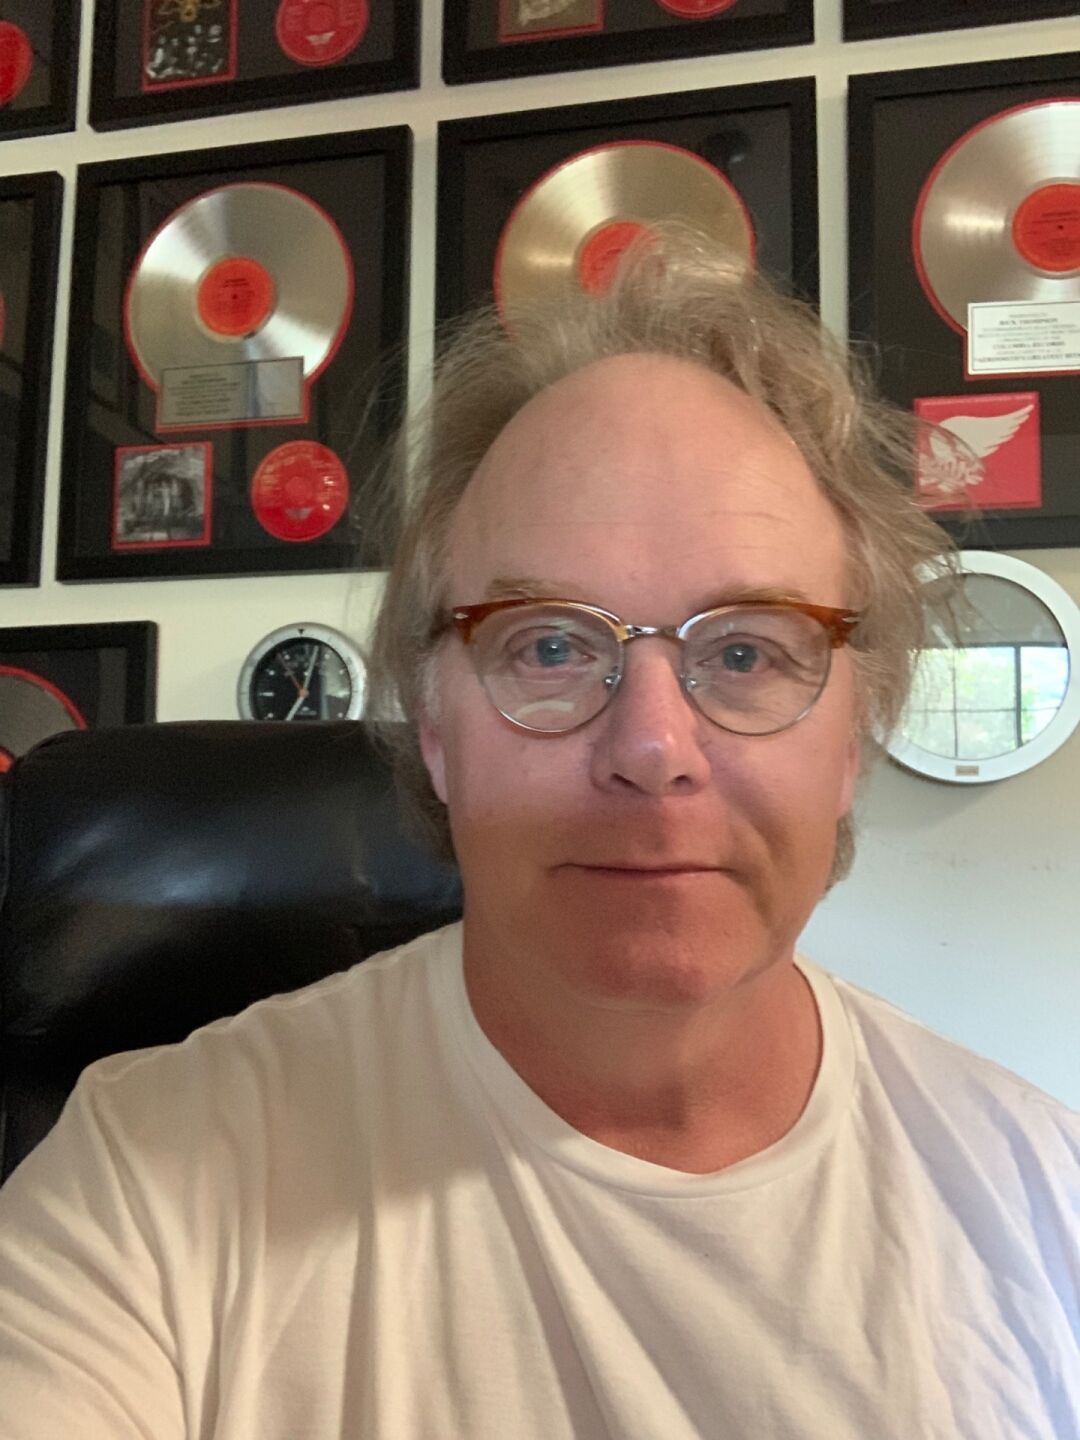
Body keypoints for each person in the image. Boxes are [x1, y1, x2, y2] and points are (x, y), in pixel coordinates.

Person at [0, 231, 1076, 1438]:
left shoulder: (1045, 1207)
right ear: (436, 729)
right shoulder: (143, 1184)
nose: (652, 747)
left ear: (855, 737)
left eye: (747, 651)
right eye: (550, 646)